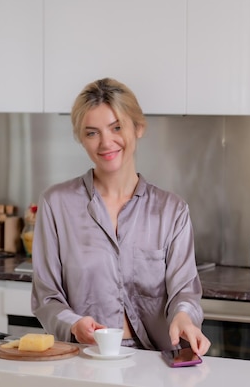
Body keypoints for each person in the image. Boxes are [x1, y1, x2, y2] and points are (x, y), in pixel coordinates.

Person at [30, 77, 211, 356]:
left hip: (154, 363)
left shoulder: (172, 210)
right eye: (92, 133)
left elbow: (184, 291)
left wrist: (184, 317)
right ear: (82, 139)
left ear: (138, 127)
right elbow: (46, 297)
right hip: (82, 362)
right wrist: (75, 324)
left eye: (116, 127)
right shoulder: (56, 204)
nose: (106, 142)